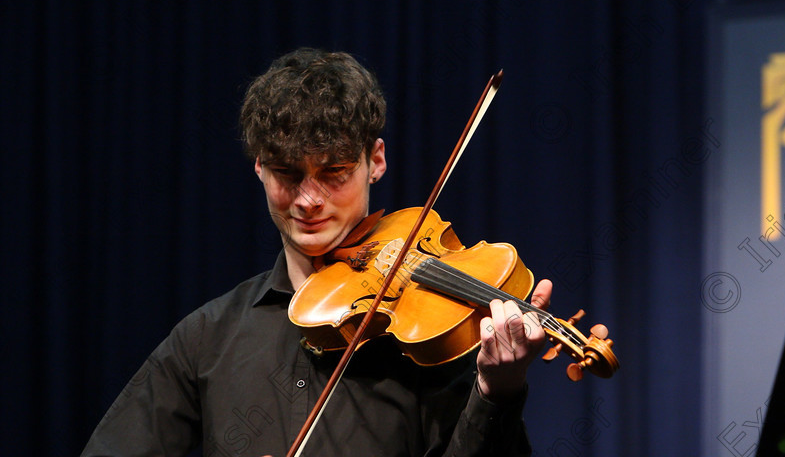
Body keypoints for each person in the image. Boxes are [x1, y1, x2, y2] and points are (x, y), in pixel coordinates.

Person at [82, 48, 553, 456]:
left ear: (377, 161)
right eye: (288, 174)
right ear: (260, 168)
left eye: (334, 172)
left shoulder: (425, 331)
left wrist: (498, 391)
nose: (308, 200)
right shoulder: (206, 338)